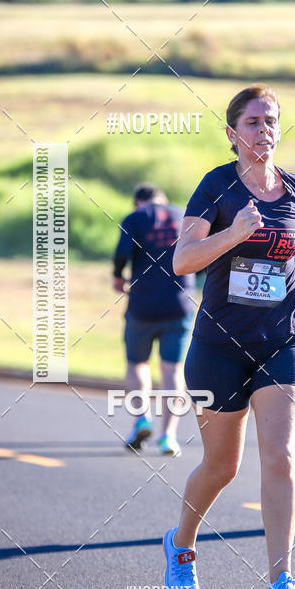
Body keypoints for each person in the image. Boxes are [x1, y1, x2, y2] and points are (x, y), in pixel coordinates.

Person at [164, 84, 295, 589]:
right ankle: (182, 543)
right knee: (222, 467)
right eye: (254, 122)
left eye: (272, 121)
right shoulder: (216, 187)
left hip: (284, 339)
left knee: (281, 456)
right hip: (219, 345)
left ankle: (281, 583)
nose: (265, 130)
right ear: (232, 134)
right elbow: (182, 260)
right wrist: (233, 234)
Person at [113, 183, 195, 456]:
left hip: (142, 306)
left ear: (138, 202)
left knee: (137, 364)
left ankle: (141, 420)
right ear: (164, 198)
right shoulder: (183, 214)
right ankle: (168, 437)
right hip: (179, 304)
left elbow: (122, 254)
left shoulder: (135, 218)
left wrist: (117, 277)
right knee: (172, 369)